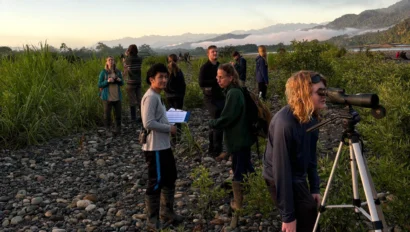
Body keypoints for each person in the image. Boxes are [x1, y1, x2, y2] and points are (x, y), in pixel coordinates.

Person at [263, 70, 327, 232]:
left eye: (324, 90)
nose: (324, 95)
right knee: (306, 221)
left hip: (297, 175)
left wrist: (314, 187)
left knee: (310, 215)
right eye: (319, 92)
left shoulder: (312, 117)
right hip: (279, 179)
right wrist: (288, 216)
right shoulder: (285, 124)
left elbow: (311, 155)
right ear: (303, 95)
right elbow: (281, 171)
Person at [209, 63, 255, 228]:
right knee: (247, 168)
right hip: (243, 138)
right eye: (217, 77)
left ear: (230, 77)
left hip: (239, 139)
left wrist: (213, 123)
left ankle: (238, 207)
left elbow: (228, 117)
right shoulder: (235, 91)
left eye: (221, 77)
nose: (218, 80)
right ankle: (260, 195)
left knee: (238, 172)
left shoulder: (234, 93)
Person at [141, 63, 183, 231]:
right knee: (156, 181)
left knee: (170, 177)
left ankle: (167, 212)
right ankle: (152, 221)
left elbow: (157, 118)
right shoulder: (150, 97)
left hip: (163, 145)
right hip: (154, 148)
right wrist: (169, 128)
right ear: (152, 79)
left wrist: (171, 119)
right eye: (161, 77)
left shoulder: (157, 95)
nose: (164, 80)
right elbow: (148, 122)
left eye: (166, 77)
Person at [199, 45, 226, 159]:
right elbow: (201, 83)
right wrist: (216, 81)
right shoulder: (205, 67)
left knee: (219, 122)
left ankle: (215, 148)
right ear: (208, 54)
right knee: (216, 122)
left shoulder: (220, 66)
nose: (215, 53)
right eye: (212, 52)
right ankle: (215, 150)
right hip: (210, 98)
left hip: (221, 96)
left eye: (216, 51)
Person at [98, 56, 124, 136]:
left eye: (112, 60)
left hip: (117, 97)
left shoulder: (118, 72)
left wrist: (119, 80)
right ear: (106, 62)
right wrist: (107, 81)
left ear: (114, 61)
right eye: (109, 60)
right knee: (107, 115)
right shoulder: (103, 72)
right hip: (107, 97)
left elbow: (122, 83)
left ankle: (118, 129)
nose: (111, 61)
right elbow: (99, 84)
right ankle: (108, 129)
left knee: (118, 114)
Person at [165, 59, 186, 144]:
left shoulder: (168, 75)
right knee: (179, 118)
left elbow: (165, 86)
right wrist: (182, 94)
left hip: (170, 97)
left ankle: (173, 139)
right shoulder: (180, 74)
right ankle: (179, 137)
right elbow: (183, 85)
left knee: (171, 119)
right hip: (179, 97)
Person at [124, 44, 143, 123]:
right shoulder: (140, 59)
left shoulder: (127, 60)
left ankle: (133, 118)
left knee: (132, 100)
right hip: (138, 81)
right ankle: (142, 116)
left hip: (131, 83)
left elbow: (125, 69)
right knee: (140, 100)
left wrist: (126, 55)